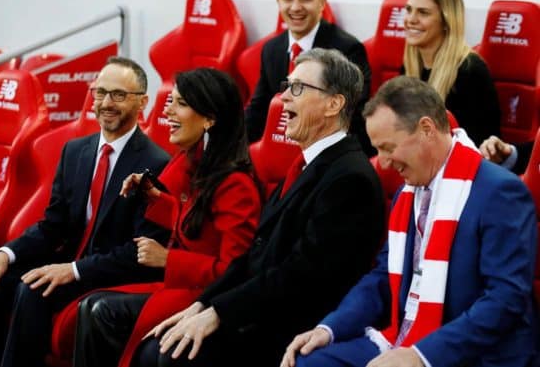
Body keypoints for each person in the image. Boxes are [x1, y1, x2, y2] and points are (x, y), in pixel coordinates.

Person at [134, 48, 385, 367]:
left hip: (297, 329)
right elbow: (256, 255)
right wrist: (202, 305)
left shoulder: (350, 178)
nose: (284, 98)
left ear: (333, 104)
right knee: (160, 345)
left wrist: (220, 313)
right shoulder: (307, 165)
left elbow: (302, 274)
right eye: (285, 86)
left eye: (298, 88)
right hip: (264, 310)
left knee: (168, 355)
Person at [281, 76, 538, 367]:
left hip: (473, 351)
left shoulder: (499, 192)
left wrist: (420, 355)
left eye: (389, 148)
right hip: (405, 335)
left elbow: (505, 300)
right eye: (377, 150)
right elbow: (382, 277)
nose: (384, 162)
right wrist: (329, 328)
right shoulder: (408, 191)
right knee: (309, 361)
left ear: (426, 129)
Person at [0, 57, 171, 367]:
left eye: (118, 94)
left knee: (32, 290)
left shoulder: (157, 163)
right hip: (69, 262)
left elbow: (137, 253)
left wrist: (72, 271)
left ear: (142, 102)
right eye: (99, 93)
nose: (106, 103)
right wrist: (4, 255)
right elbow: (52, 226)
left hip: (108, 272)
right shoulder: (76, 150)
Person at [72, 67, 262, 367]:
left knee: (100, 310)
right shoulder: (196, 163)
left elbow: (233, 269)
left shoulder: (235, 183)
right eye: (170, 101)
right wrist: (154, 197)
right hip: (177, 288)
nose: (168, 111)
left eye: (181, 104)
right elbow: (193, 220)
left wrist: (167, 259)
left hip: (202, 296)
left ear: (210, 119)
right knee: (91, 307)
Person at [244, 0, 373, 156]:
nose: (295, 7)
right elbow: (258, 111)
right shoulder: (272, 49)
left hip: (326, 154)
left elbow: (351, 117)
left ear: (322, 3)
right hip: (279, 149)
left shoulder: (347, 50)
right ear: (279, 2)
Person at [402, 0, 500, 146]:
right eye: (409, 10)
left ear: (447, 21)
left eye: (423, 12)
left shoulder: (470, 71)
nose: (411, 19)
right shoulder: (410, 64)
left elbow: (479, 144)